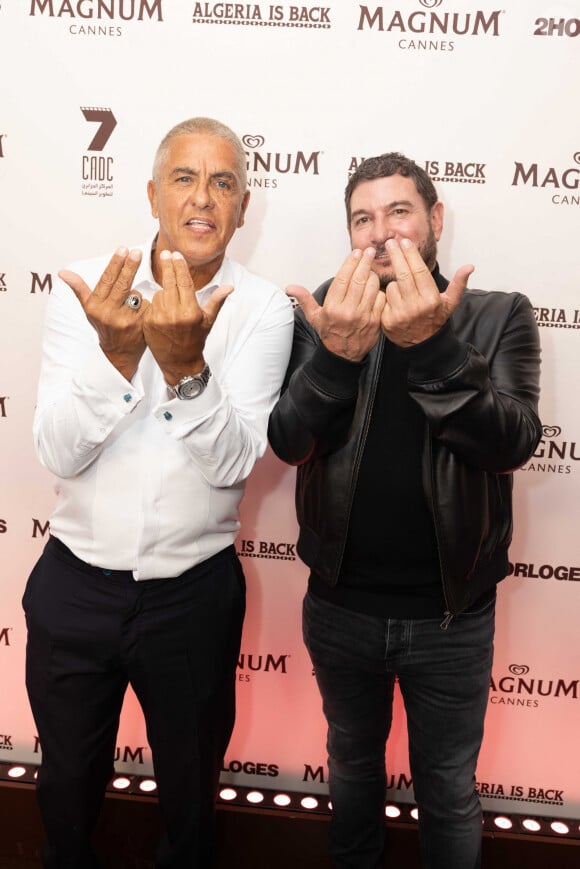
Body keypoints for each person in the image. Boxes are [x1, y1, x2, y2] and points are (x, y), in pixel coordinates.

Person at [23, 116, 294, 868]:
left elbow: (235, 461)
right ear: (151, 194)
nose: (203, 197)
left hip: (193, 597)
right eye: (184, 177)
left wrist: (185, 372)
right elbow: (56, 449)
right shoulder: (89, 287)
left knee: (189, 795)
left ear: (243, 206)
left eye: (223, 181)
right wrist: (115, 358)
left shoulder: (264, 308)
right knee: (66, 786)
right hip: (74, 583)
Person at [268, 152, 542, 869]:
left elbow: (509, 443)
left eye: (399, 212)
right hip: (340, 608)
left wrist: (432, 348)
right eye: (363, 217)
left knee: (448, 788)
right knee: (352, 770)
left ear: (434, 220)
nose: (381, 230)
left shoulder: (498, 315)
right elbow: (289, 441)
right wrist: (335, 356)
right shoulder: (329, 308)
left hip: (450, 618)